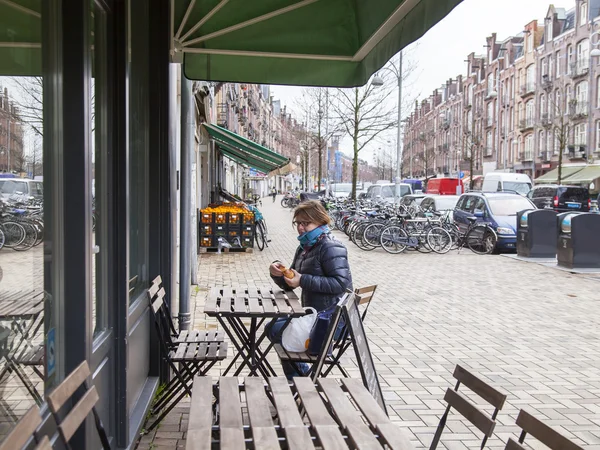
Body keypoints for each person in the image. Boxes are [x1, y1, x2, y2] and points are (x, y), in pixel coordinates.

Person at [268, 200, 352, 378]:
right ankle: (301, 379)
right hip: (315, 314)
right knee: (274, 328)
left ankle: (299, 382)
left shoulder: (331, 247)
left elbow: (340, 283)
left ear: (320, 222)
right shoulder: (305, 247)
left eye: (306, 223)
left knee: (276, 329)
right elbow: (292, 281)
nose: (300, 228)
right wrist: (277, 273)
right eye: (298, 223)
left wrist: (303, 280)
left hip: (331, 321)